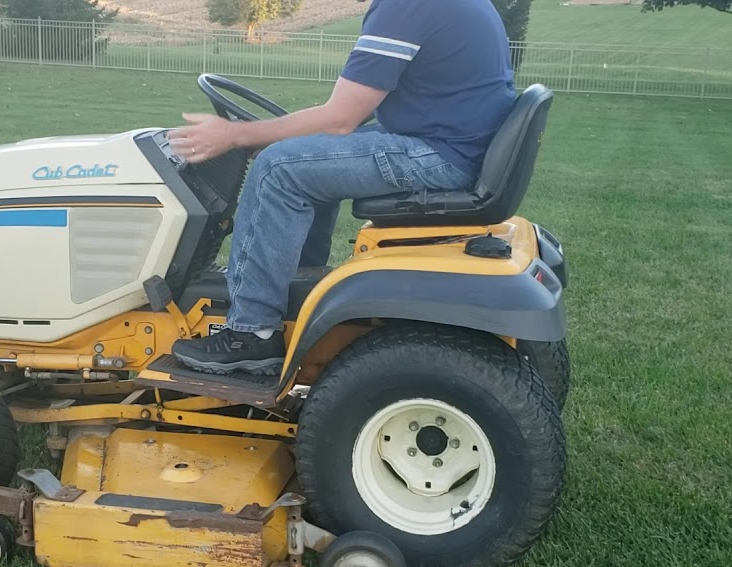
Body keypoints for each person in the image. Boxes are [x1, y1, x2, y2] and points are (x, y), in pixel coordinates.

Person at [168, 0, 517, 375]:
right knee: (300, 157)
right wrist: (279, 137)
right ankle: (296, 289)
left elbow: (339, 119)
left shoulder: (405, 6)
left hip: (441, 154)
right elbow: (359, 105)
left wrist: (235, 135)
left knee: (278, 169)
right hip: (458, 142)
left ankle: (252, 332)